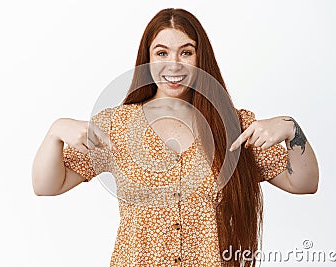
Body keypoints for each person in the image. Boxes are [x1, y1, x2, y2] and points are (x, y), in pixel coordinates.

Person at [32, 8, 319, 267]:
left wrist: (292, 130)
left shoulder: (234, 125)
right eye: (161, 53)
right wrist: (56, 131)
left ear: (200, 57)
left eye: (186, 52)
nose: (174, 65)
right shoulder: (116, 126)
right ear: (147, 58)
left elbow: (303, 183)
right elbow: (47, 186)